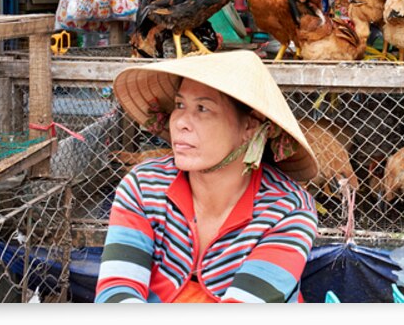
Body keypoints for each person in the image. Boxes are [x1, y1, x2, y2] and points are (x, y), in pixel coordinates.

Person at [95, 50, 319, 303]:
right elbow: (116, 291)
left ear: (249, 127)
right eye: (180, 105)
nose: (180, 122)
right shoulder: (144, 187)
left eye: (202, 108)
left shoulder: (287, 209)